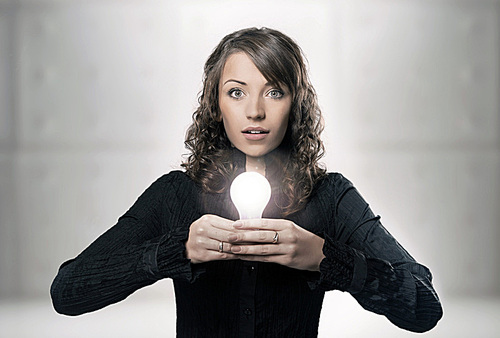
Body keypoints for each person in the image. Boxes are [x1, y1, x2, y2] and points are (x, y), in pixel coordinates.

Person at [50, 27, 443, 337]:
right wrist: (176, 251)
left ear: (296, 103)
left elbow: (425, 307)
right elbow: (67, 292)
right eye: (236, 93)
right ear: (216, 106)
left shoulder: (331, 196)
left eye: (274, 92)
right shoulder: (176, 194)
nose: (255, 111)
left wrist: (326, 257)